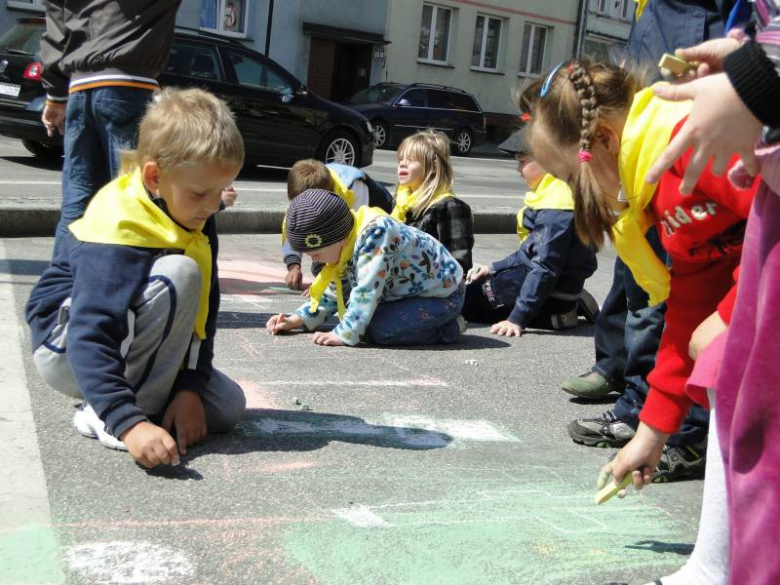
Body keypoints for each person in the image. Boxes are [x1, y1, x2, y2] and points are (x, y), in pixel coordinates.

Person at [518, 57, 757, 488]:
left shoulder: (690, 147)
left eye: (572, 178)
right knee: (711, 351)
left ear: (605, 139)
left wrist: (730, 315)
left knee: (721, 353)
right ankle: (721, 553)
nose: (575, 196)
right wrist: (652, 434)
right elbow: (686, 314)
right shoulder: (659, 193)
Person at [25, 88, 247, 469]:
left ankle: (131, 402)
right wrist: (129, 424)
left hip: (123, 344)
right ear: (155, 176)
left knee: (226, 406)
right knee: (179, 273)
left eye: (218, 193)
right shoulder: (119, 225)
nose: (211, 206)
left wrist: (190, 387)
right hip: (67, 347)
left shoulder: (196, 215)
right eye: (199, 193)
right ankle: (105, 410)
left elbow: (204, 311)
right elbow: (90, 332)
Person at [639, 7, 780, 582]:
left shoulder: (681, 177)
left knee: (750, 409)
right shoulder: (665, 191)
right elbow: (684, 313)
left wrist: (755, 77)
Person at [40, 0, 182, 254]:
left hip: (79, 87)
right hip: (128, 83)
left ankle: (62, 284)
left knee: (77, 199)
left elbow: (56, 20)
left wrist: (55, 94)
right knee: (134, 197)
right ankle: (123, 280)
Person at [266, 189, 465, 347]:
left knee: (376, 331)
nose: (313, 259)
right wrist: (296, 319)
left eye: (316, 253)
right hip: (408, 295)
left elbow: (367, 290)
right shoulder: (346, 242)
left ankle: (450, 328)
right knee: (364, 321)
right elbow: (337, 291)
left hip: (443, 295)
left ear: (339, 239)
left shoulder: (377, 234)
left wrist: (345, 333)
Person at [461, 126, 598, 337]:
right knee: (477, 287)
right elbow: (530, 251)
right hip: (546, 282)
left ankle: (557, 314)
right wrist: (494, 267)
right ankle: (568, 302)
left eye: (522, 161)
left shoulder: (557, 206)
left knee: (465, 302)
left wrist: (517, 319)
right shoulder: (557, 191)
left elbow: (544, 267)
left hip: (550, 288)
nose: (518, 169)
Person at [282, 159, 394, 290]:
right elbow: (295, 230)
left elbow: (354, 235)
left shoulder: (352, 188)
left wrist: (324, 285)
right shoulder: (304, 191)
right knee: (321, 261)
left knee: (337, 264)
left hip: (381, 220)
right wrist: (294, 266)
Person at [392, 129, 474, 273]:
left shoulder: (450, 207)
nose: (402, 164)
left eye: (411, 160)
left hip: (434, 290)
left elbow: (459, 265)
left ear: (434, 166)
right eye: (401, 159)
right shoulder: (399, 203)